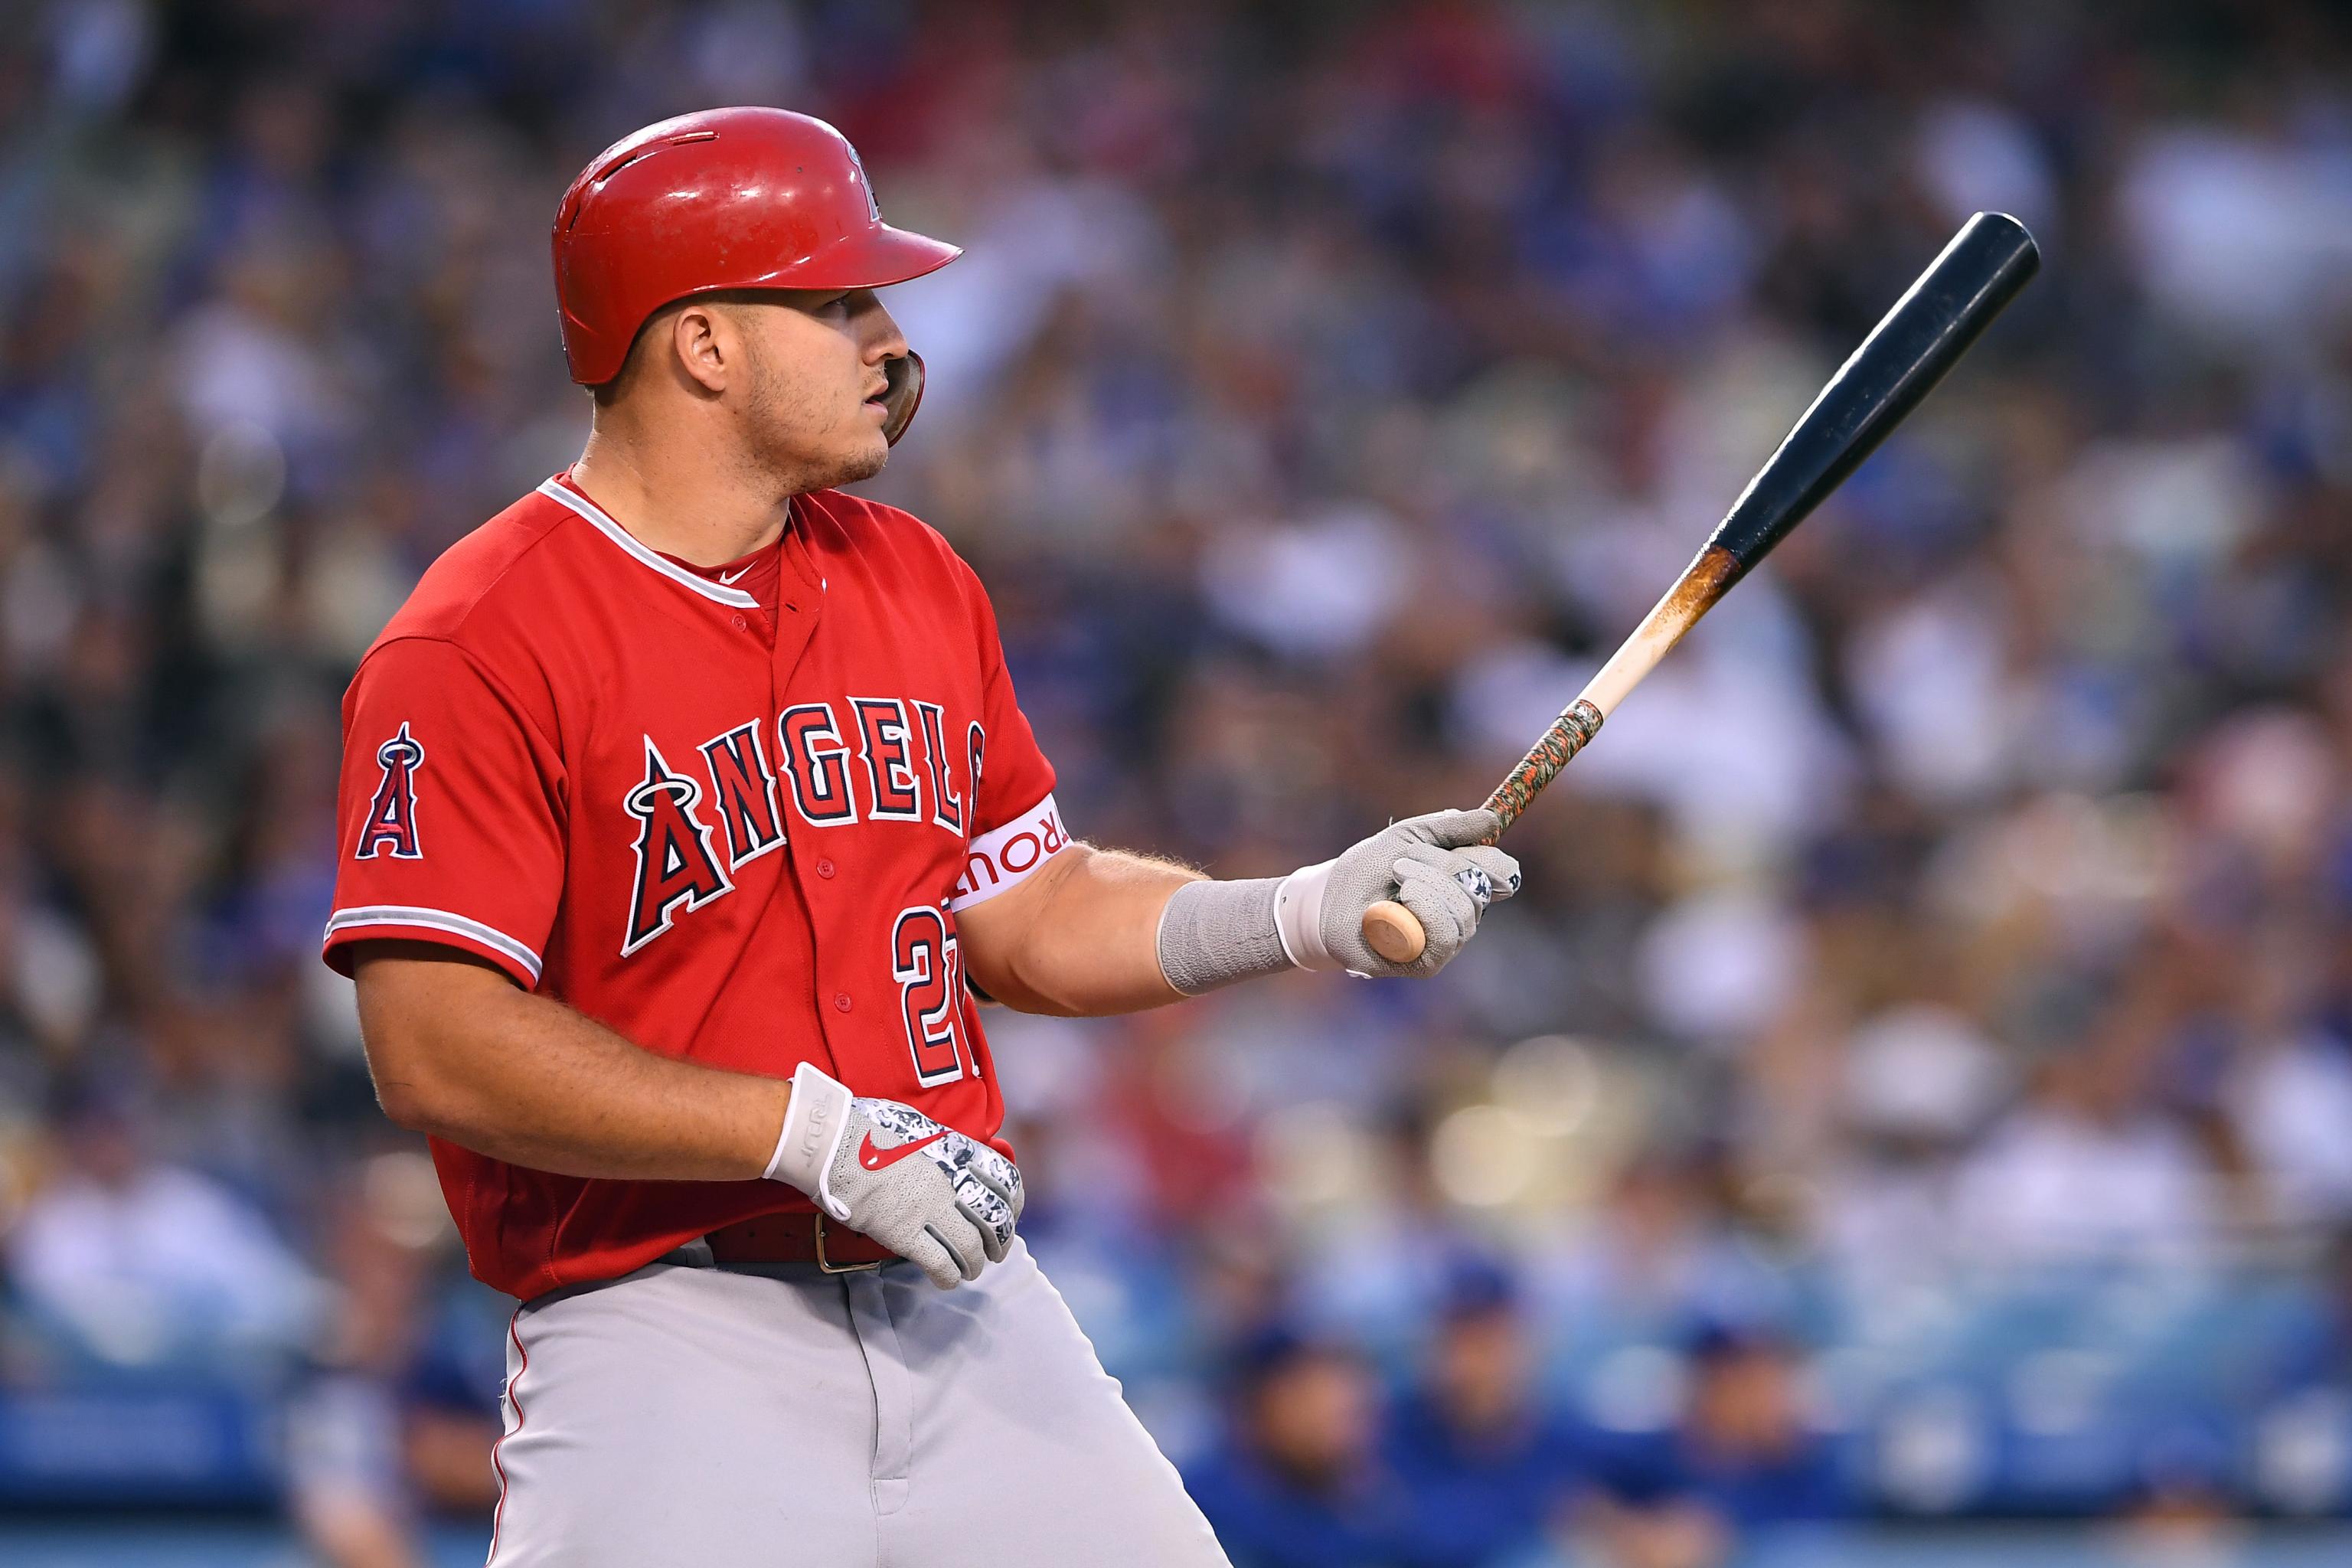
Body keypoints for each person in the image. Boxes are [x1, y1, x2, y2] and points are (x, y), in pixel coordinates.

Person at [322, 106, 1521, 1567]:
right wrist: (805, 1130)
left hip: (962, 1298)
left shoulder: (910, 576)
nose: (888, 338)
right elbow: (433, 1041)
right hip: (662, 1322)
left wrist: (1306, 908)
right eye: (837, 302)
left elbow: (1022, 909)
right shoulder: (478, 636)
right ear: (703, 343)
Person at [1383, 1259, 1588, 1568]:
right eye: (1460, 1340)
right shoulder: (1384, 1433)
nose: (1475, 1363)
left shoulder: (1563, 1431)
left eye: (1491, 1340)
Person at [1184, 1325, 1410, 1568]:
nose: (1329, 1408)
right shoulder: (1201, 1505)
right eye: (1308, 1393)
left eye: (1340, 1393)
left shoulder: (1378, 1500)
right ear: (1260, 1405)